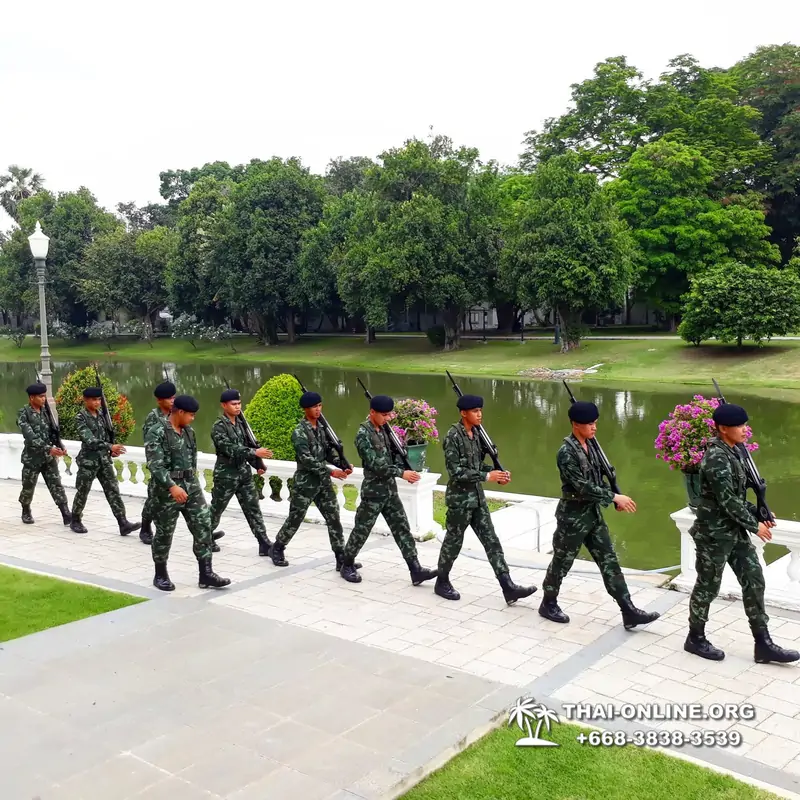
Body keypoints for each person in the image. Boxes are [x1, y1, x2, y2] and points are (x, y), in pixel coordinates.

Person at [684, 402, 799, 664]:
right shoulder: (716, 458)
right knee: (708, 585)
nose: (746, 429)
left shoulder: (735, 452)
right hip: (713, 533)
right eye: (741, 425)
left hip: (734, 531)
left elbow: (737, 497)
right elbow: (726, 501)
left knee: (754, 580)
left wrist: (760, 513)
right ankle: (695, 637)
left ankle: (763, 644)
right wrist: (753, 525)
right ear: (724, 429)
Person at [539, 401, 659, 629]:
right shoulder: (566, 452)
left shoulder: (593, 446)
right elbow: (582, 485)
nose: (594, 427)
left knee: (609, 561)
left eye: (595, 423)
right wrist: (614, 498)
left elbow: (600, 478)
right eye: (589, 424)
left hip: (592, 515)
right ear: (575, 424)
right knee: (562, 562)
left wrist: (614, 495)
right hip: (572, 517)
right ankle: (548, 602)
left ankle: (628, 610)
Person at [435, 394, 535, 605]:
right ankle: (441, 581)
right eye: (474, 411)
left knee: (492, 542)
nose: (479, 415)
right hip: (460, 500)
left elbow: (479, 466)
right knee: (454, 542)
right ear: (463, 413)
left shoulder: (479, 435)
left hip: (477, 499)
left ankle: (508, 586)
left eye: (480, 410)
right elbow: (455, 472)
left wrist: (497, 474)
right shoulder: (453, 436)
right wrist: (487, 476)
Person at [339, 394, 438, 586]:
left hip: (390, 491)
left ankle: (415, 569)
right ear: (372, 412)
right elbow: (376, 464)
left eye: (389, 415)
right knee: (362, 529)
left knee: (402, 528)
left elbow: (394, 456)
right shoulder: (363, 434)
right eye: (383, 415)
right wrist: (401, 473)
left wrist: (405, 463)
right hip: (373, 491)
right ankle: (347, 563)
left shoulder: (386, 430)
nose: (387, 418)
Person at [145, 394, 230, 592]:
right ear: (180, 412)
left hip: (190, 485)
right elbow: (155, 465)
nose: (193, 418)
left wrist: (191, 482)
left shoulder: (189, 432)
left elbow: (192, 460)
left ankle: (206, 574)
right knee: (165, 533)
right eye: (190, 415)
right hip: (167, 489)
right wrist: (172, 487)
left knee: (203, 525)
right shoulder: (156, 432)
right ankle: (160, 574)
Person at [270, 391, 358, 571]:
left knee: (334, 518)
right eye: (313, 407)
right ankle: (277, 547)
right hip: (306, 483)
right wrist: (332, 472)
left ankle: (341, 557)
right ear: (305, 409)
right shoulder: (299, 432)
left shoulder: (323, 429)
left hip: (323, 483)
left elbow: (328, 453)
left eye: (319, 406)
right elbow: (307, 459)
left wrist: (343, 463)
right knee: (295, 518)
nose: (317, 410)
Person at [209, 388, 274, 556]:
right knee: (217, 509)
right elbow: (231, 448)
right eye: (233, 404)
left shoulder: (242, 424)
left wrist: (256, 464)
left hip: (243, 473)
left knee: (253, 508)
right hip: (226, 474)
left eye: (239, 403)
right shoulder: (219, 427)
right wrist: (254, 453)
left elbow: (248, 445)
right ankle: (204, 537)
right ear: (224, 405)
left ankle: (263, 542)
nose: (237, 407)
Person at [69, 387, 140, 536]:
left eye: (99, 399)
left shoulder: (102, 415)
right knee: (83, 491)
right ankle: (75, 519)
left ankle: (123, 523)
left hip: (104, 460)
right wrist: (109, 446)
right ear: (85, 400)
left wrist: (111, 450)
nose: (97, 402)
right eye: (94, 400)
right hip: (89, 461)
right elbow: (90, 440)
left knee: (113, 490)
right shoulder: (81, 417)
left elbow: (105, 437)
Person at [16, 383, 71, 526]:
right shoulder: (24, 414)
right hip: (32, 458)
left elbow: (53, 433)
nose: (43, 399)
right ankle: (26, 510)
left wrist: (60, 446)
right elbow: (30, 437)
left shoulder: (46, 413)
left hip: (48, 458)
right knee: (28, 487)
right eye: (40, 397)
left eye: (44, 396)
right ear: (32, 397)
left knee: (56, 485)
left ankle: (65, 512)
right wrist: (48, 448)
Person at [138, 381, 175, 546]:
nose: (172, 401)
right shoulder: (153, 417)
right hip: (159, 465)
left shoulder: (176, 414)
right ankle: (145, 527)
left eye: (174, 397)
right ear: (159, 401)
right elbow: (150, 443)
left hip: (175, 466)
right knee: (154, 500)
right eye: (168, 398)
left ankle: (204, 531)